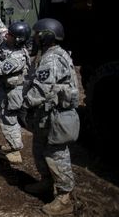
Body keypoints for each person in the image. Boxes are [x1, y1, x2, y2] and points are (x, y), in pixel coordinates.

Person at [21, 18, 80, 215]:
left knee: (56, 154)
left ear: (46, 37)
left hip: (58, 116)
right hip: (46, 114)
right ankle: (46, 182)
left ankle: (65, 198)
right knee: (38, 148)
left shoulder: (52, 59)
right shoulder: (45, 55)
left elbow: (42, 89)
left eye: (37, 35)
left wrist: (24, 104)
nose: (34, 39)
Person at [0, 21, 31, 164]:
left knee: (9, 120)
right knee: (1, 116)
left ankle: (15, 149)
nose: (6, 35)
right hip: (4, 89)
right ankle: (12, 144)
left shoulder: (17, 57)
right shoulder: (8, 46)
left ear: (17, 39)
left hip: (13, 93)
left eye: (10, 34)